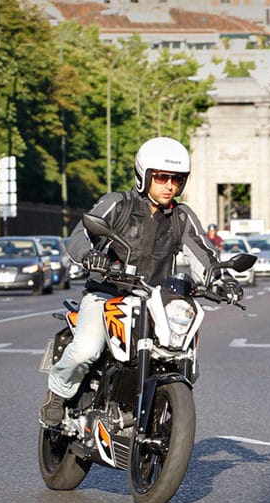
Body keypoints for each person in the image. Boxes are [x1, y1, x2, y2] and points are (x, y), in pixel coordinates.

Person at [40, 136, 242, 427]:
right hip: (107, 294)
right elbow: (79, 237)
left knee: (185, 357)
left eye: (176, 179)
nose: (169, 185)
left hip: (156, 301)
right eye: (161, 177)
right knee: (87, 348)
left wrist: (221, 280)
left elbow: (204, 254)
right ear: (144, 176)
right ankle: (58, 393)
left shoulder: (181, 216)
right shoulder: (117, 205)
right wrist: (91, 257)